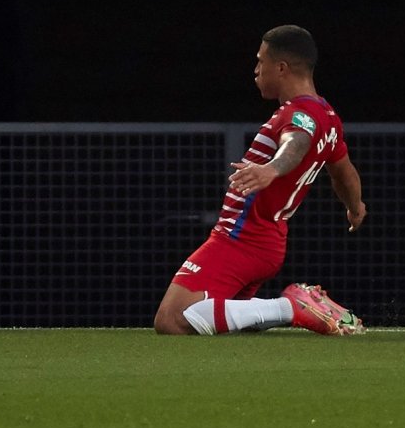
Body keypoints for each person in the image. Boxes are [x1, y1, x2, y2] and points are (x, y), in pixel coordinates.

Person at [154, 25, 368, 336]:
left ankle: (292, 305)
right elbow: (344, 171)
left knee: (171, 320)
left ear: (281, 68)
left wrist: (272, 168)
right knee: (223, 326)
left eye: (260, 61)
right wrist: (355, 206)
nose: (256, 70)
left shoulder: (300, 114)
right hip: (267, 241)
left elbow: (296, 142)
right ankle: (284, 311)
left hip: (241, 240)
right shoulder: (328, 116)